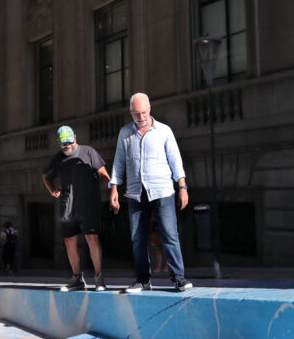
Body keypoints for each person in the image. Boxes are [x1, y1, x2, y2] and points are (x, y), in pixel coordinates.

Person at [109, 93, 192, 293]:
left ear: (150, 109)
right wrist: (114, 188)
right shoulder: (125, 133)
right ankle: (143, 280)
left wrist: (182, 187)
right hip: (136, 193)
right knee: (138, 238)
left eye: (144, 112)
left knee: (169, 234)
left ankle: (178, 278)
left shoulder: (164, 131)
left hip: (162, 190)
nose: (141, 117)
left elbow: (175, 160)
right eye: (136, 113)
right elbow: (119, 162)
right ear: (131, 112)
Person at [43, 125, 111, 291]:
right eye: (64, 144)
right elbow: (46, 176)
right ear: (59, 143)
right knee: (69, 241)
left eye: (69, 142)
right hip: (68, 206)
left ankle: (99, 277)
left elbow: (103, 173)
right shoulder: (58, 158)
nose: (68, 146)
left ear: (75, 137)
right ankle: (77, 278)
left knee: (92, 239)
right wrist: (53, 190)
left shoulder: (88, 152)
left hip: (89, 204)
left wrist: (112, 191)